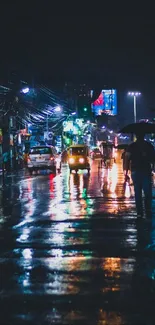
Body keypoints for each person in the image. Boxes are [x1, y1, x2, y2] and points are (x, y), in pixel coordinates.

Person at [124, 132, 155, 217]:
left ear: (136, 136)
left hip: (135, 171)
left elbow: (127, 159)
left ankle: (139, 212)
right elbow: (153, 159)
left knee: (138, 192)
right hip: (146, 171)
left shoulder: (131, 146)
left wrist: (126, 172)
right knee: (147, 192)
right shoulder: (149, 146)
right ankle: (147, 209)